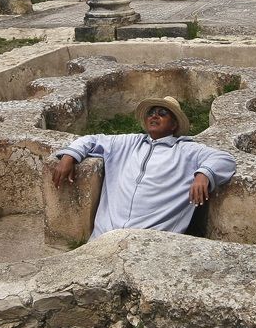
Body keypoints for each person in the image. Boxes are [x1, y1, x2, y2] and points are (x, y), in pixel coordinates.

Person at [51, 96, 237, 240]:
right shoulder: (129, 142)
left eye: (163, 113)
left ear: (174, 125)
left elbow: (224, 158)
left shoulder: (185, 150)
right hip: (104, 235)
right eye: (151, 112)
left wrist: (203, 174)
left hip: (150, 239)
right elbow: (91, 140)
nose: (154, 116)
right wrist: (69, 156)